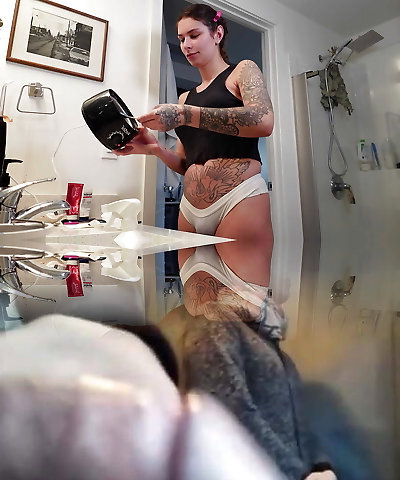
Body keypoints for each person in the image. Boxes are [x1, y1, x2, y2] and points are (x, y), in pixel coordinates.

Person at [115, 3, 274, 250]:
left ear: (217, 34)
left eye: (194, 35)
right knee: (192, 275)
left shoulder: (242, 70)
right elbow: (185, 163)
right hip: (189, 209)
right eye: (181, 39)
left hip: (238, 198)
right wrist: (155, 149)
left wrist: (185, 115)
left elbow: (263, 121)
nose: (186, 45)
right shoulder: (184, 98)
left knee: (239, 276)